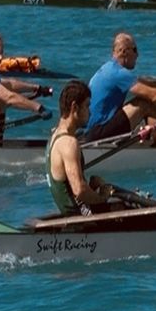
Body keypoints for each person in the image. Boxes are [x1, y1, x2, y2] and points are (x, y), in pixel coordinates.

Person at [86, 32, 156, 147]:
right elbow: (155, 96)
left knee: (145, 101)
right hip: (98, 133)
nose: (137, 55)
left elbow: (149, 85)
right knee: (145, 104)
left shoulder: (110, 68)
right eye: (135, 50)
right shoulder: (118, 73)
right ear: (124, 51)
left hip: (93, 131)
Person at [47, 80, 119, 215]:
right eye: (87, 106)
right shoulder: (69, 143)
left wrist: (93, 186)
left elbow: (70, 188)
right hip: (81, 218)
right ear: (75, 107)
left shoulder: (54, 136)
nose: (90, 112)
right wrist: (103, 198)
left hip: (76, 212)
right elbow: (79, 190)